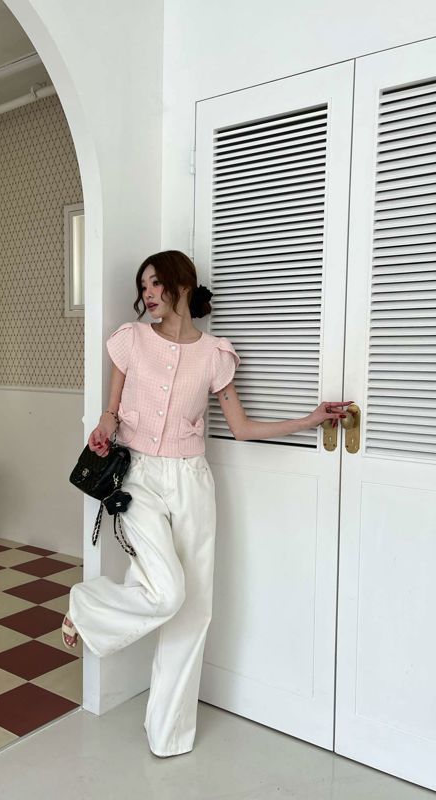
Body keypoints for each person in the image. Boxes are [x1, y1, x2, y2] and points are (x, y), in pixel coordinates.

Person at [61, 249, 352, 758]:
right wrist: (104, 428)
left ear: (183, 285)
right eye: (143, 286)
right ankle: (86, 609)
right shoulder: (131, 341)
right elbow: (111, 412)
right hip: (139, 478)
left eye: (156, 283)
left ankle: (168, 734)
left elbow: (241, 428)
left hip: (193, 480)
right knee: (167, 592)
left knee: (193, 611)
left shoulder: (215, 354)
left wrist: (309, 420)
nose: (148, 294)